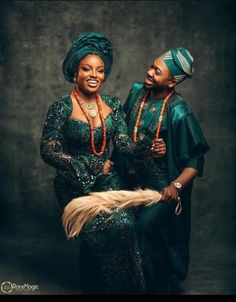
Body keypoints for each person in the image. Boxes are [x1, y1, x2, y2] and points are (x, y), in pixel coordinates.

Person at [40, 32, 155, 294]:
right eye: (87, 69)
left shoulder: (113, 106)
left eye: (100, 70)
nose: (94, 75)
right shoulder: (61, 108)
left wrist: (144, 145)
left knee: (126, 225)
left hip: (108, 182)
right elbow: (48, 149)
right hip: (74, 184)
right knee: (104, 230)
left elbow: (123, 142)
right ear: (75, 71)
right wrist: (90, 164)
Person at [112, 47, 210, 294]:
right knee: (119, 226)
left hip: (160, 186)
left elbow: (196, 161)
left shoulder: (178, 111)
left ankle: (158, 286)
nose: (149, 72)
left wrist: (175, 186)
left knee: (146, 228)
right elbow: (124, 132)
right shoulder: (137, 92)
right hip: (129, 178)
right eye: (151, 66)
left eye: (157, 71)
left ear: (171, 82)